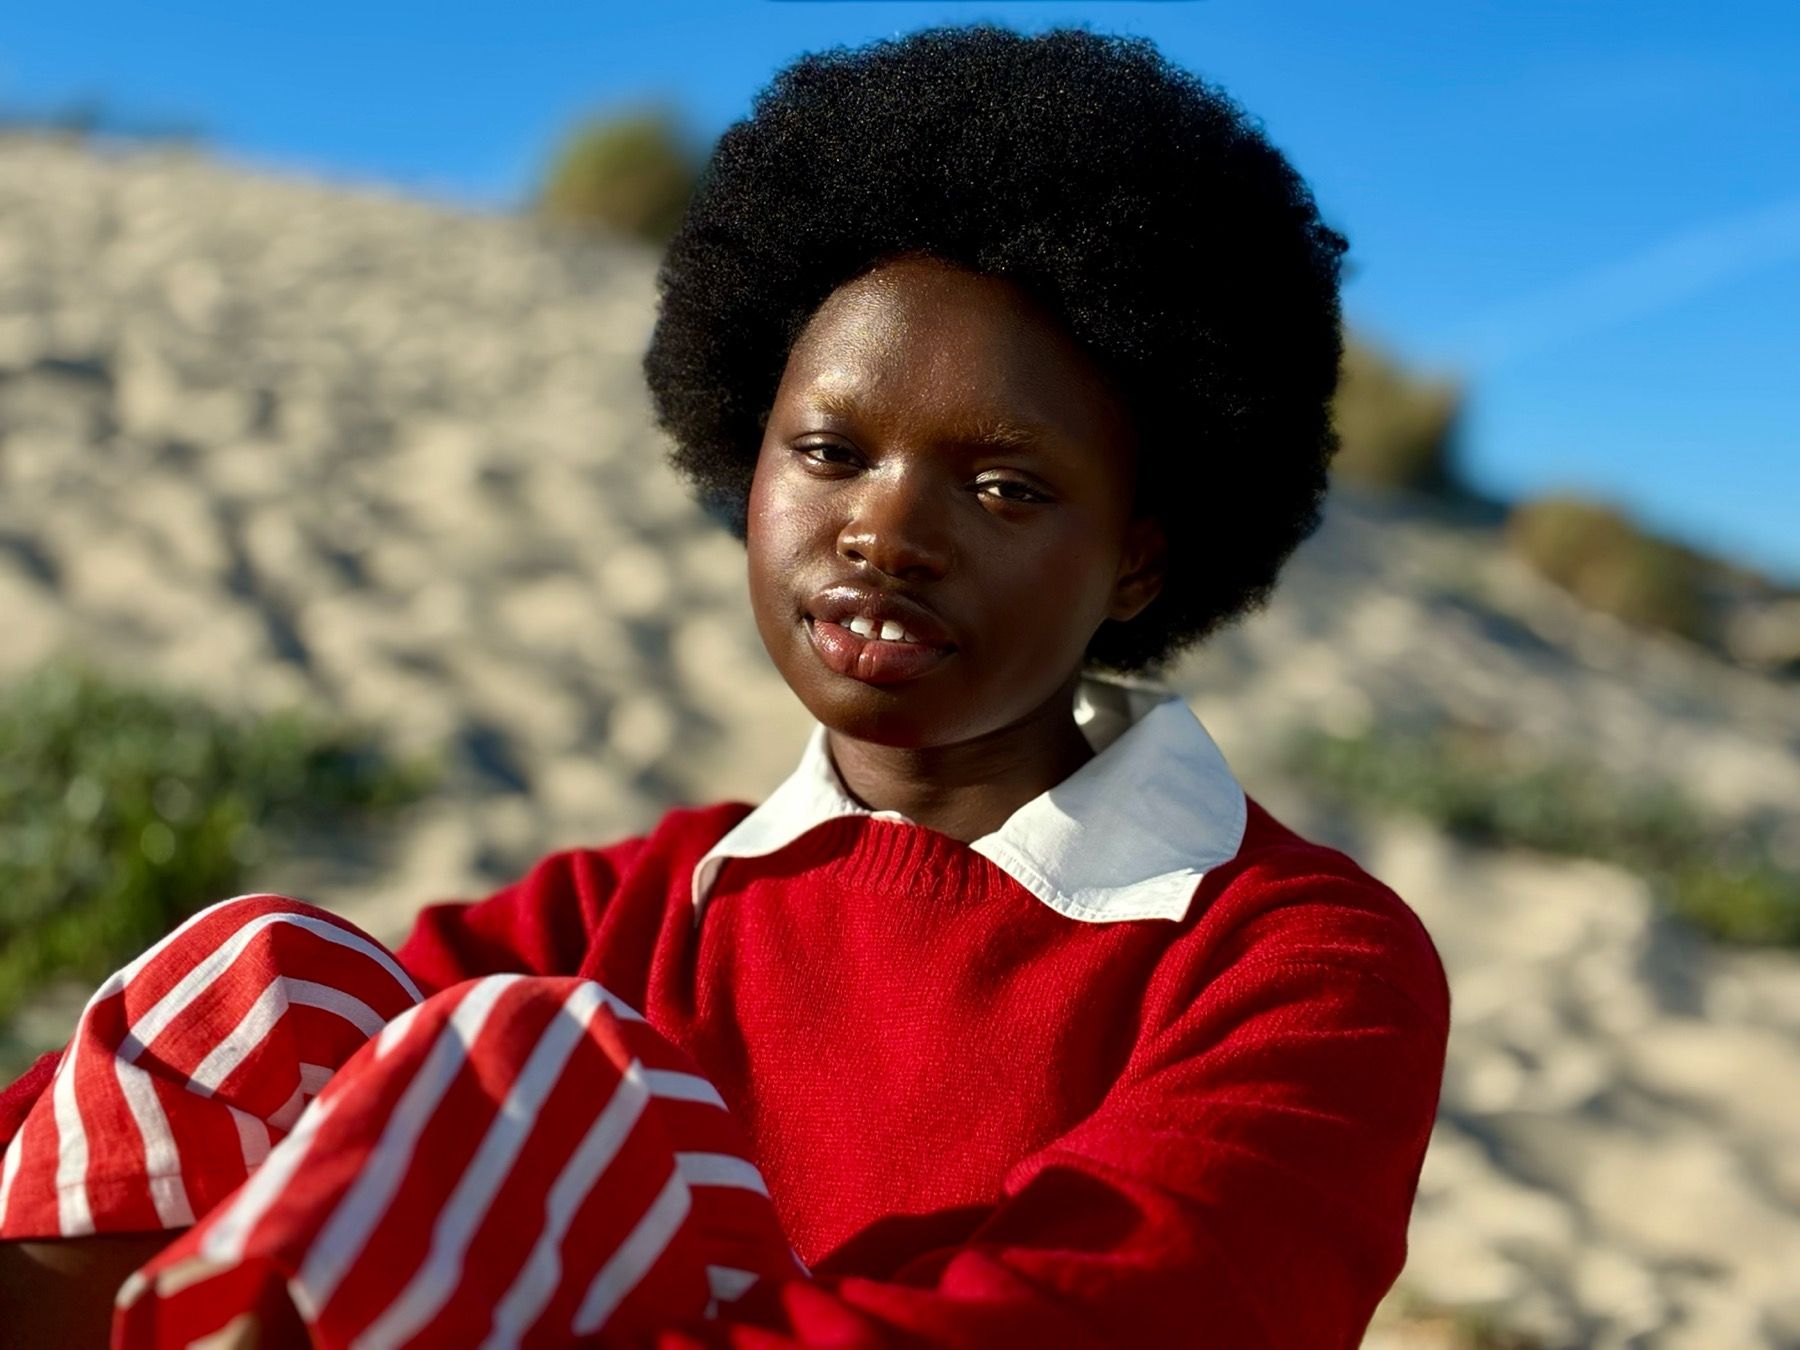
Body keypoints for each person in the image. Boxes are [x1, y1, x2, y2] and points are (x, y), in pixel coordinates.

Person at [0, 22, 1451, 1348]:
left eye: (1006, 485)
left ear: (1137, 560)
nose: (886, 530)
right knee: (263, 983)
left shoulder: (1298, 963)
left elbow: (1124, 1313)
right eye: (829, 452)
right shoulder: (641, 904)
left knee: (536, 1067)